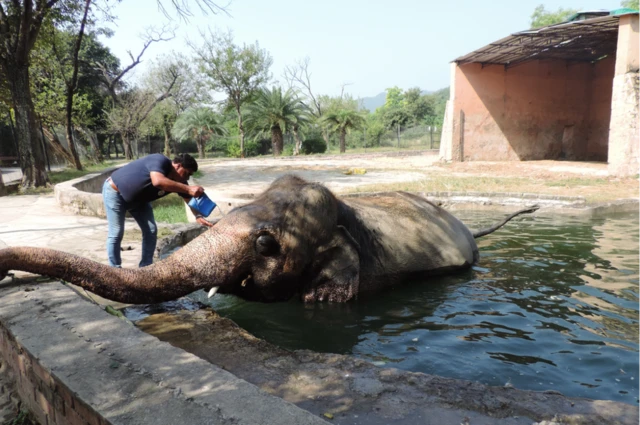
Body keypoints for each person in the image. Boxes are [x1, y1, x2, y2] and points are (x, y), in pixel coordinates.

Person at [102, 153, 214, 268]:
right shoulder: (160, 160)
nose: (187, 178)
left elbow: (188, 199)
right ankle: (115, 269)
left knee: (150, 230)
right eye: (187, 173)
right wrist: (188, 188)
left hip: (140, 201)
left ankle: (146, 267)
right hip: (115, 193)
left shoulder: (181, 182)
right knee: (116, 232)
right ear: (178, 166)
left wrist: (198, 216)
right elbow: (158, 181)